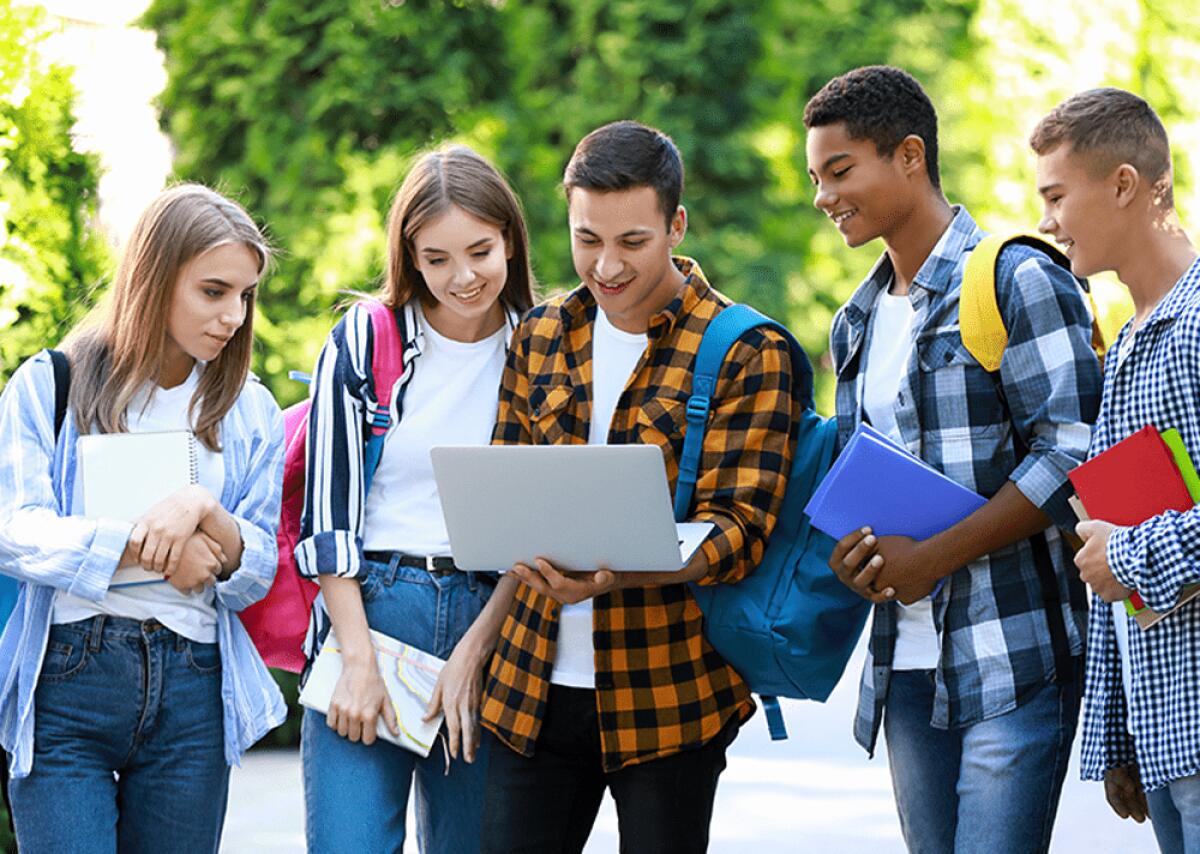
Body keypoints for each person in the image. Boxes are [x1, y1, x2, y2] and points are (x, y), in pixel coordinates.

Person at [476, 120, 800, 854]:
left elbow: (740, 528)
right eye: (587, 239)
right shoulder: (540, 335)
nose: (607, 265)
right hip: (530, 688)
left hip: (669, 695)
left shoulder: (748, 350)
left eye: (632, 242)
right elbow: (507, 472)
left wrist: (615, 572)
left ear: (676, 224)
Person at [804, 66, 1102, 853]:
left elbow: (1074, 455)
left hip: (1014, 657)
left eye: (841, 171)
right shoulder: (856, 323)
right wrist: (860, 558)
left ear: (909, 156)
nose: (824, 197)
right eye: (815, 178)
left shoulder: (1015, 276)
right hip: (905, 663)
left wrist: (933, 557)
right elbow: (862, 482)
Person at [0, 183, 286, 853]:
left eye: (245, 296)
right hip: (70, 685)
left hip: (193, 689)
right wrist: (144, 546)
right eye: (213, 292)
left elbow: (260, 568)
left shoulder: (250, 411)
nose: (234, 317)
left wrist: (204, 511)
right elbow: (14, 528)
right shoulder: (52, 383)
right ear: (155, 281)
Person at [295, 144, 536, 853]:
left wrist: (474, 652)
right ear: (410, 256)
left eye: (480, 251)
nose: (462, 277)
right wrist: (359, 660)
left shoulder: (546, 348)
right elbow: (328, 516)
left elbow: (543, 523)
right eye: (437, 259)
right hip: (371, 608)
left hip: (492, 619)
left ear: (511, 239)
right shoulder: (366, 340)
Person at [1031, 87, 1200, 854]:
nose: (1047, 221)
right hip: (1167, 738)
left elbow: (1119, 551)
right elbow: (1115, 532)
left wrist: (1126, 557)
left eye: (1057, 196)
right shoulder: (1129, 340)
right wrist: (1124, 736)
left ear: (1125, 185)